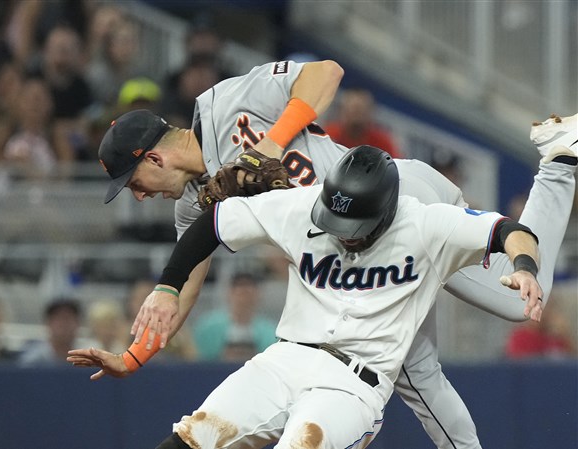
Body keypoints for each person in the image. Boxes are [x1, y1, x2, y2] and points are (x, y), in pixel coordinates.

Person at [88, 60, 575, 448]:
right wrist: (134, 358)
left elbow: (326, 73)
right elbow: (180, 288)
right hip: (356, 261)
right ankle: (559, 162)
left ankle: (558, 166)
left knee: (426, 362)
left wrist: (272, 143)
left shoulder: (222, 104)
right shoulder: (199, 203)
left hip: (397, 204)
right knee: (419, 369)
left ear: (153, 157)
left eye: (133, 183)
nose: (138, 196)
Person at [193, 272, 276, 361]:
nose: (244, 298)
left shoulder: (270, 332)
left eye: (248, 292)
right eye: (240, 292)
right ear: (229, 293)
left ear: (258, 295)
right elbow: (198, 358)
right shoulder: (208, 328)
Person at [323, 87, 402, 158]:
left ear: (370, 112)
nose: (356, 116)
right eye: (352, 109)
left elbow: (396, 169)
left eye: (360, 110)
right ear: (343, 110)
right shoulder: (328, 136)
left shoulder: (383, 144)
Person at [19, 298, 93, 366]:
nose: (64, 324)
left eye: (68, 319)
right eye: (58, 319)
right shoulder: (32, 362)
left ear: (78, 324)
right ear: (48, 323)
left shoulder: (89, 361)